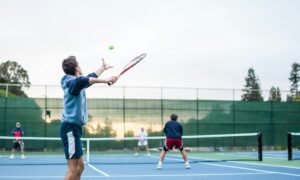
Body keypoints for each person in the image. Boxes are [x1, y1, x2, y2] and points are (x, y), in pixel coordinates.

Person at [60, 56, 118, 180]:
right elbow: (83, 80)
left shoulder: (75, 82)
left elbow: (87, 79)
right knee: (73, 169)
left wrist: (102, 68)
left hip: (75, 129)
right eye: (79, 64)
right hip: (70, 129)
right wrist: (106, 80)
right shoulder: (71, 83)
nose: (81, 67)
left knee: (80, 167)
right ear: (76, 68)